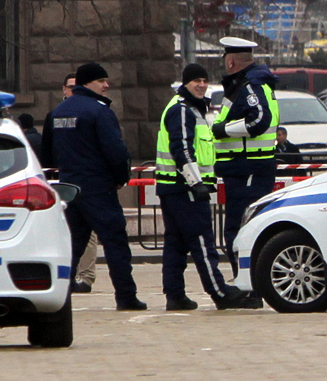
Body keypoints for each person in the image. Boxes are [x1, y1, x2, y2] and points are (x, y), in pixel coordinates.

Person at [157, 64, 260, 311]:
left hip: (173, 188)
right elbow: (181, 149)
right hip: (185, 189)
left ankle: (175, 295)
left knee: (176, 243)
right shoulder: (183, 110)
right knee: (202, 240)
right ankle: (220, 293)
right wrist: (197, 183)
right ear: (185, 83)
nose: (201, 84)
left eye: (204, 80)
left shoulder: (191, 109)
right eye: (196, 81)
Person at [51, 63, 146, 311]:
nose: (106, 85)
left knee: (70, 245)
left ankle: (59, 297)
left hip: (69, 188)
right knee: (115, 242)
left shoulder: (59, 112)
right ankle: (126, 296)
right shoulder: (99, 111)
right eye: (101, 81)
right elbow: (115, 150)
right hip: (97, 187)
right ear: (87, 83)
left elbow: (49, 153)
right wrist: (120, 176)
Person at [212, 37, 280, 279]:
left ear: (230, 61)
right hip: (243, 168)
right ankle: (246, 281)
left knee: (241, 229)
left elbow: (258, 120)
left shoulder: (250, 86)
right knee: (240, 228)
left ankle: (247, 284)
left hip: (248, 168)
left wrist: (223, 130)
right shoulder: (248, 84)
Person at [42, 72, 99, 294]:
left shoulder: (93, 112)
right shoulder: (54, 115)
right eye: (70, 87)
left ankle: (85, 277)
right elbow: (47, 149)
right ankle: (66, 275)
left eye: (78, 86)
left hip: (86, 182)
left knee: (88, 233)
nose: (73, 91)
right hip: (62, 181)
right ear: (63, 90)